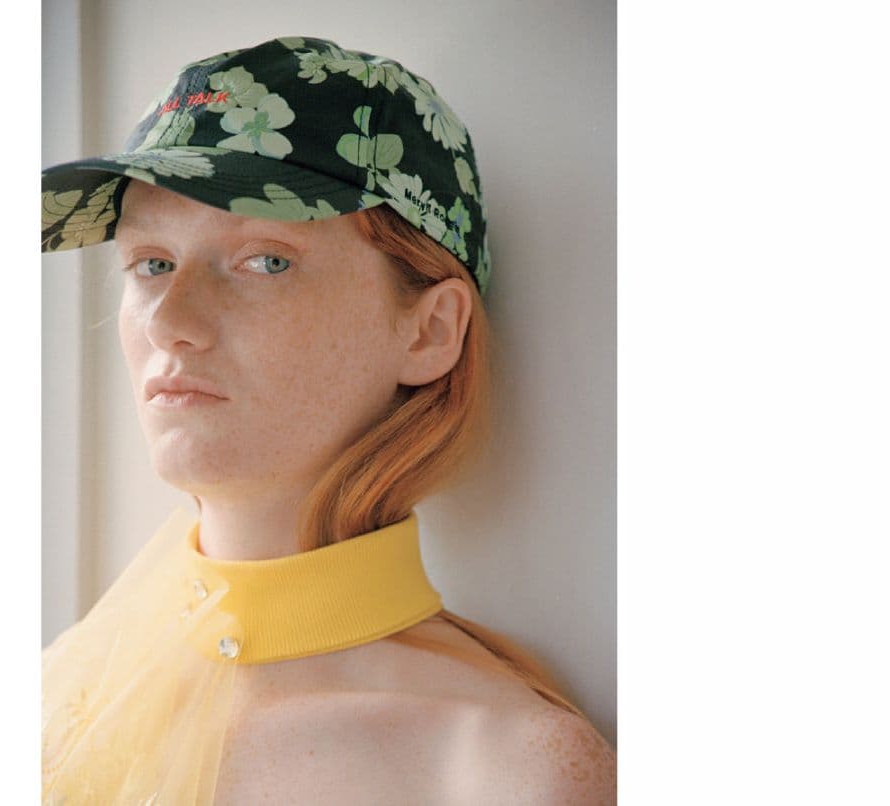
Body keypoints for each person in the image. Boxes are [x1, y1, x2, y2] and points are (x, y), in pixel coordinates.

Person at [41, 34, 616, 804]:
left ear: (430, 331)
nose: (170, 321)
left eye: (266, 260)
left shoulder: (506, 768)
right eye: (152, 263)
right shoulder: (54, 700)